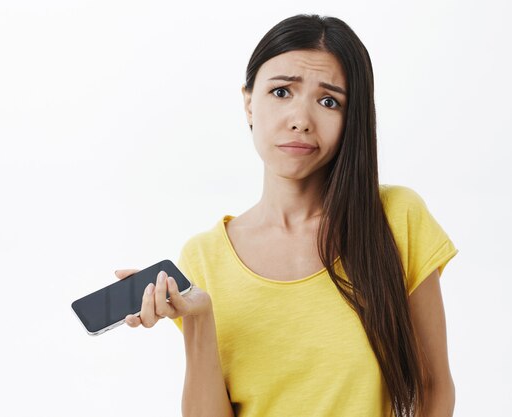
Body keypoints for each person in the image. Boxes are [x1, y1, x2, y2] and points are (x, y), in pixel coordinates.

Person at [115, 13, 458, 417]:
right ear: (248, 103)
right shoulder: (204, 257)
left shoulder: (396, 218)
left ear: (352, 119)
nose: (301, 120)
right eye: (281, 93)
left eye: (329, 101)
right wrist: (199, 320)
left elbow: (434, 387)